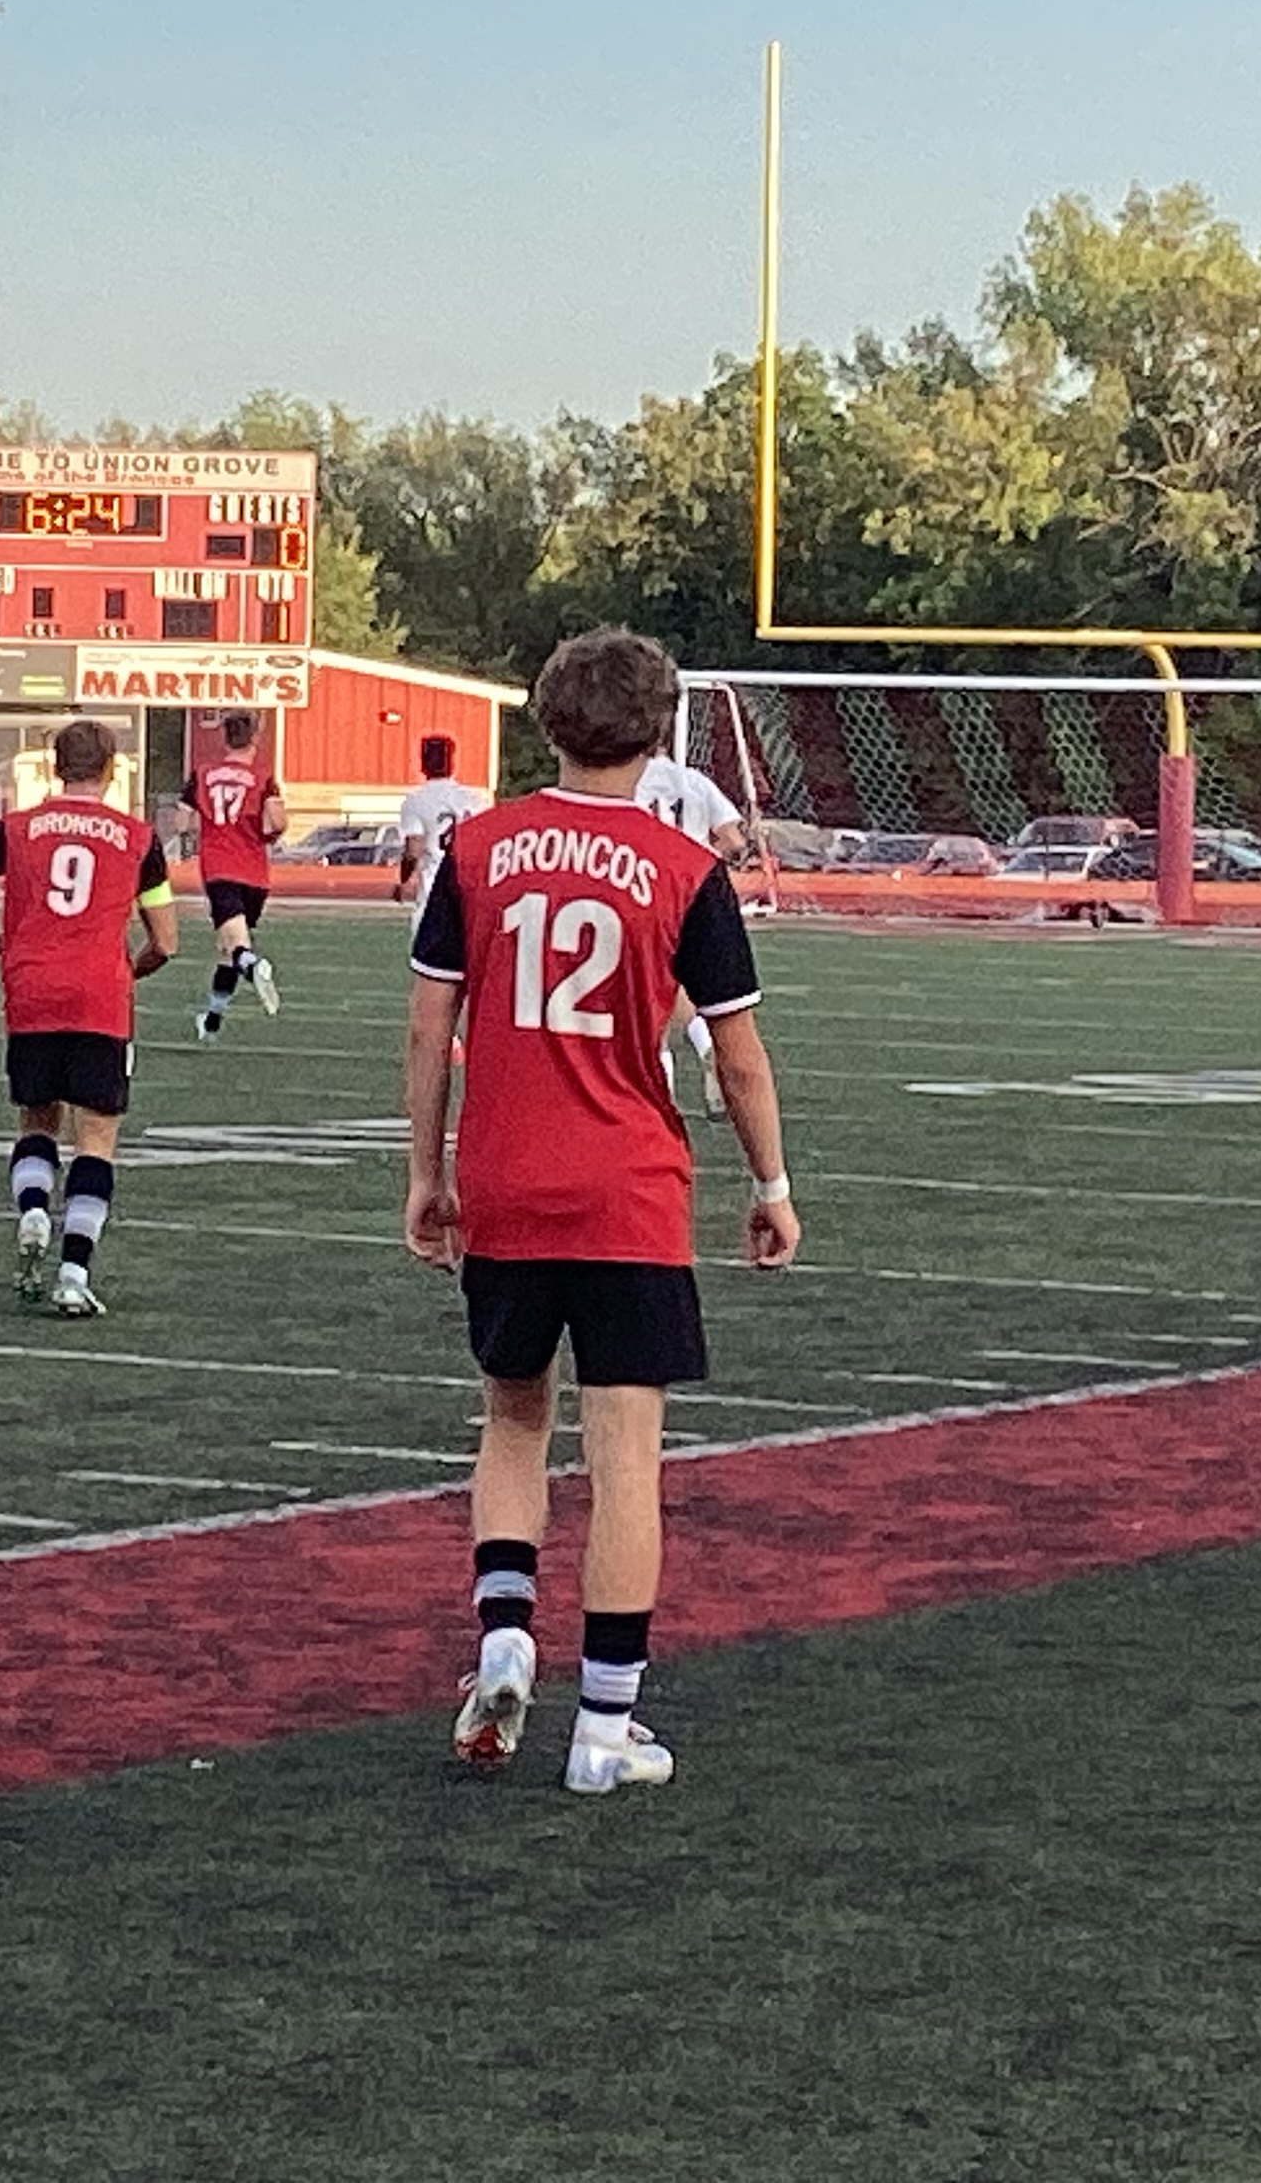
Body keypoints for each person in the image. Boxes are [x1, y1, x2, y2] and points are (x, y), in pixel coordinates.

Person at [407, 626, 800, 1796]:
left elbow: (433, 1027)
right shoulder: (686, 871)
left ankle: (506, 1639)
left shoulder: (477, 847)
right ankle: (606, 1728)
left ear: (547, 722)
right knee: (626, 1461)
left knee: (513, 1420)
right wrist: (772, 1186)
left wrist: (426, 1175)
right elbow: (737, 1060)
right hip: (627, 1189)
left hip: (509, 1180)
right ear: (661, 731)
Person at [0, 718, 181, 1315]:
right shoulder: (137, 838)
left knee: (37, 1123)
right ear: (111, 769)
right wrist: (129, 971)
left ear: (54, 765)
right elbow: (166, 942)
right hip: (99, 998)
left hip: (31, 993)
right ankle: (72, 1273)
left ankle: (34, 1208)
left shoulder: (17, 828)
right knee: (96, 1139)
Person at [631, 746, 751, 1114]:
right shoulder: (695, 782)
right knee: (694, 988)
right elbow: (733, 841)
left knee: (651, 1003)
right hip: (695, 892)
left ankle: (658, 1098)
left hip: (642, 890)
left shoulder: (627, 782)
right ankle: (704, 1044)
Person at [188, 711, 284, 1041]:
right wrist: (267, 837)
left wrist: (200, 834)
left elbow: (182, 822)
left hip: (221, 869)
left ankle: (253, 965)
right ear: (255, 738)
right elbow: (278, 821)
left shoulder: (203, 774)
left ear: (224, 738)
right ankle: (212, 1020)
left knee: (237, 949)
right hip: (256, 874)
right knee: (226, 949)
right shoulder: (263, 777)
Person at [393, 732, 487, 919]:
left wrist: (404, 880)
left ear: (423, 762)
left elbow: (414, 848)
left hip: (434, 886)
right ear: (451, 762)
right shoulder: (473, 799)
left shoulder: (416, 800)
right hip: (467, 887)